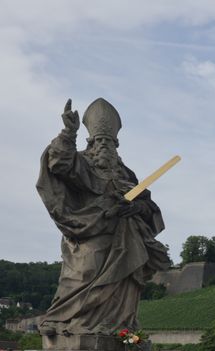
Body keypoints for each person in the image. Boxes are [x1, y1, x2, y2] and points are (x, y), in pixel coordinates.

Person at [36, 98, 172, 335]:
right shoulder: (83, 164)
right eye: (100, 141)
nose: (105, 146)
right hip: (88, 234)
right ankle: (68, 324)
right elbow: (59, 164)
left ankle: (119, 329)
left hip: (124, 238)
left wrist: (137, 209)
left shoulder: (125, 172)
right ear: (90, 143)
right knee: (84, 274)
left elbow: (147, 204)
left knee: (124, 282)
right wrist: (68, 132)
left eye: (110, 142)